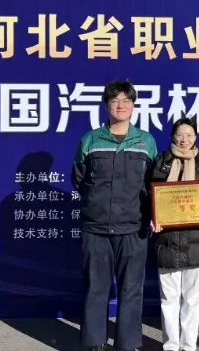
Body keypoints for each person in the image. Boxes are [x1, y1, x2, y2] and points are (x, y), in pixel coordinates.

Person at [71, 80, 157, 351]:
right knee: (95, 288)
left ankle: (127, 344)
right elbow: (79, 179)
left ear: (133, 105)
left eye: (126, 100)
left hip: (133, 228)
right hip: (95, 228)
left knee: (131, 290)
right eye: (115, 100)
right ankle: (95, 343)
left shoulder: (146, 141)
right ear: (106, 105)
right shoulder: (91, 139)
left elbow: (153, 184)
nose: (121, 105)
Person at [149, 117, 199, 351]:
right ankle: (170, 346)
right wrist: (154, 217)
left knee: (192, 299)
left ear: (195, 137)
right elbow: (150, 195)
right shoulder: (160, 162)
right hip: (167, 239)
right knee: (168, 300)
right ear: (172, 136)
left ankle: (188, 346)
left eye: (189, 135)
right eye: (180, 134)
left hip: (197, 239)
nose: (184, 139)